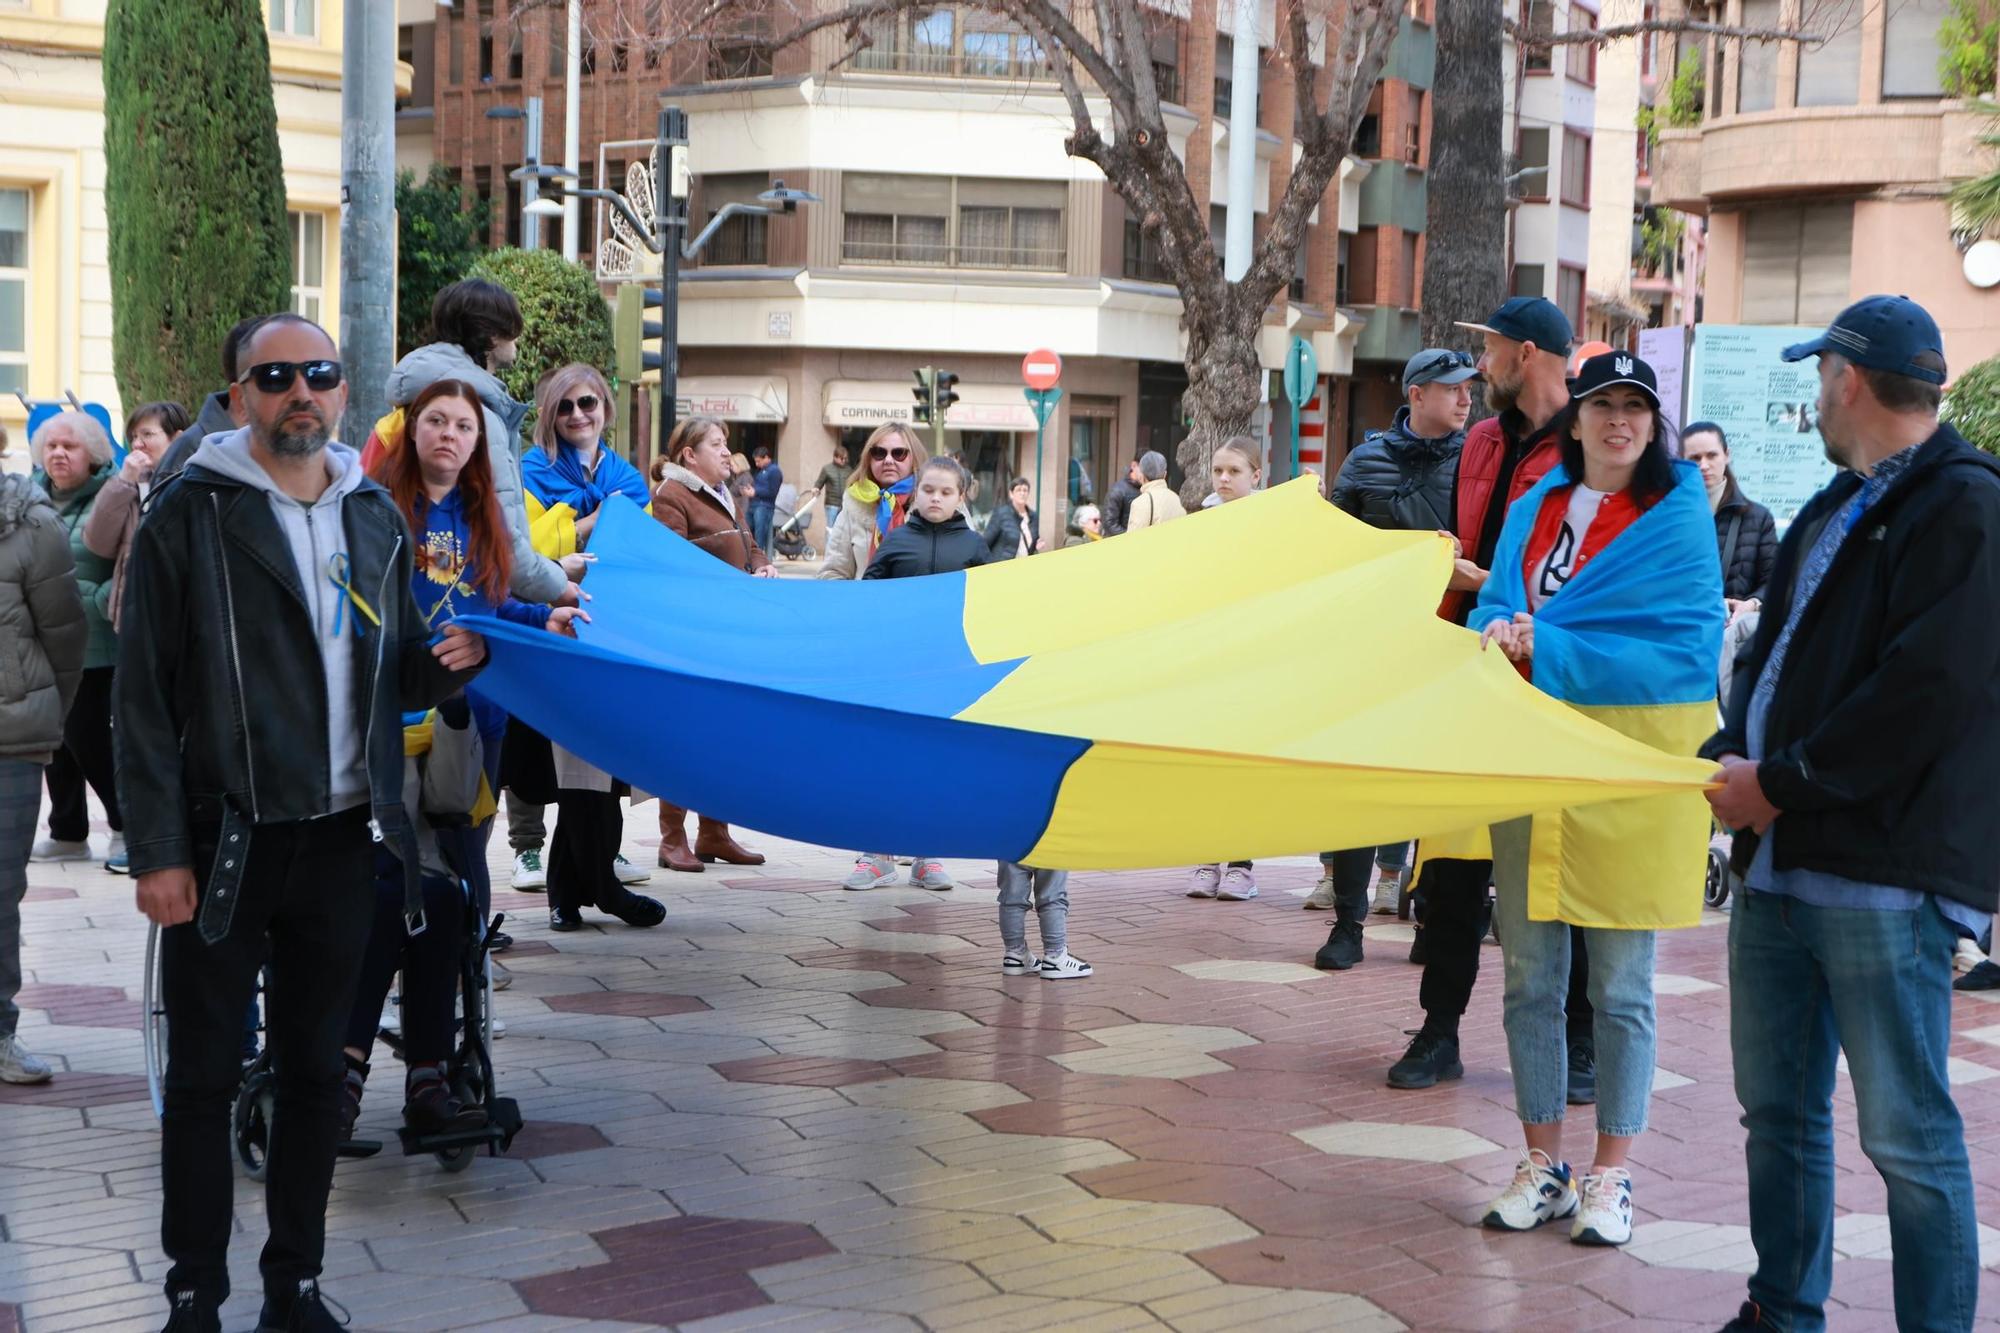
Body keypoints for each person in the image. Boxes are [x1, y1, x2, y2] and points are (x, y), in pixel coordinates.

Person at [114, 313, 488, 1332]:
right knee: (200, 1081)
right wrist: (158, 851)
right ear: (238, 396)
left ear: (341, 388)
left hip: (341, 835)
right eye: (274, 377)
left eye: (318, 374)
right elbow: (141, 695)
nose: (300, 393)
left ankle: (296, 1286)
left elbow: (391, 665)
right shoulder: (191, 511)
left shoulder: (374, 514)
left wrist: (448, 660)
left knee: (318, 1078)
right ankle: (194, 1294)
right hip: (223, 840)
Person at [1703, 297, 1996, 1333]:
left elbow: (1926, 693)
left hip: (1881, 877)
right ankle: (1781, 1308)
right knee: (1776, 1114)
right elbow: (1776, 659)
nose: (1812, 395)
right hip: (1778, 868)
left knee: (1906, 1135)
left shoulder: (1963, 504)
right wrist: (1732, 749)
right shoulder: (1835, 505)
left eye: (1818, 374)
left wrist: (1775, 783)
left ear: (1847, 378)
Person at [1471, 351, 1723, 1248]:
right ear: (1574, 420)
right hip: (1532, 760)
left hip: (1628, 766)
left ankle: (1612, 1174)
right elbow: (1492, 605)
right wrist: (1495, 630)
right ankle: (1544, 1163)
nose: (1619, 421)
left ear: (1654, 425)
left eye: (1636, 408)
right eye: (1602, 405)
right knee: (1528, 975)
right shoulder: (1536, 506)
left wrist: (1552, 646)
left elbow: (1687, 653)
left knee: (1621, 986)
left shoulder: (1678, 516)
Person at [346, 378, 585, 1140]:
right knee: (395, 882)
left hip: (466, 723)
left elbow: (490, 599)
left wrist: (538, 613)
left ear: (480, 444)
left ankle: (442, 1054)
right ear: (410, 432)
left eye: (464, 426)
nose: (450, 435)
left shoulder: (485, 517)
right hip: (378, 726)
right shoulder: (373, 510)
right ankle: (359, 1058)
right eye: (436, 422)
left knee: (454, 882)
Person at [1386, 296, 1595, 1095]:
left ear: (1532, 355)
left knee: (1558, 867)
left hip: (1552, 681)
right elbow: (1471, 546)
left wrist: (1513, 605)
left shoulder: (1590, 441)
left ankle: (1579, 1044)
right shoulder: (1478, 441)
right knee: (1451, 871)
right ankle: (1439, 1031)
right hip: (1469, 671)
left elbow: (1589, 566)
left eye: (1494, 350)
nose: (1481, 366)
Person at [1310, 348, 1477, 949]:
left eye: (1468, 388)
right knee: (1365, 780)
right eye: (1452, 388)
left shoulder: (1479, 459)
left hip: (1453, 641)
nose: (1465, 398)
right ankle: (1347, 924)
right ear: (1417, 394)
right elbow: (1333, 551)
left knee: (1440, 786)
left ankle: (1431, 919)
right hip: (1375, 645)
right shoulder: (1365, 459)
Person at [505, 364, 652, 894]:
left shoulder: (627, 479)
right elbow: (523, 552)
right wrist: (586, 525)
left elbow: (643, 551)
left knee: (597, 747)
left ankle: (599, 856)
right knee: (533, 745)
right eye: (565, 406)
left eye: (587, 403)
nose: (577, 415)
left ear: (604, 410)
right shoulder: (528, 471)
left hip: (603, 624)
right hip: (542, 622)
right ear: (549, 414)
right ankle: (527, 848)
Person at [369, 279, 570, 604]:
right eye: (512, 328)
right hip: (459, 612)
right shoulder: (476, 413)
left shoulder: (420, 399)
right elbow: (503, 542)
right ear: (491, 335)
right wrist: (558, 582)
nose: (517, 339)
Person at [842, 457, 980, 892]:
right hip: (897, 674)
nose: (936, 498)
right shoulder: (896, 541)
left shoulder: (975, 548)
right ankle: (876, 855)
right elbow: (866, 604)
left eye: (945, 492)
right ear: (915, 493)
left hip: (949, 674)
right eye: (928, 490)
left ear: (962, 497)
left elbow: (996, 606)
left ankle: (928, 856)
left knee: (936, 764)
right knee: (886, 761)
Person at [650, 415, 773, 873]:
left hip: (727, 631)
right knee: (686, 734)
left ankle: (714, 833)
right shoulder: (672, 496)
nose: (727, 452)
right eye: (717, 444)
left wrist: (761, 566)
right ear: (689, 455)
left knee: (722, 733)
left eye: (726, 444)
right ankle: (671, 838)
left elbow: (750, 543)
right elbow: (671, 565)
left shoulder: (721, 494)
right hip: (692, 634)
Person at [0, 470, 84, 1085]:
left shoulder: (31, 524)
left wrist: (43, 712)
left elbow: (65, 638)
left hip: (10, 741)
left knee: (0, 893)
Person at [25, 412, 122, 872]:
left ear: (94, 455)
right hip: (40, 642)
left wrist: (96, 599)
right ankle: (67, 832)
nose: (58, 453)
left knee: (88, 737)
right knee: (52, 740)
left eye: (70, 446)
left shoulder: (114, 495)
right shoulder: (28, 499)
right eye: (51, 446)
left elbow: (128, 562)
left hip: (94, 643)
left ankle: (126, 826)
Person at [1183, 440, 1265, 903]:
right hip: (1210, 657)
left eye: (1234, 470)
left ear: (1256, 474)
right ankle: (1206, 858)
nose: (1223, 479)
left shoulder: (1270, 524)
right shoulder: (1200, 523)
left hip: (1251, 658)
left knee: (1244, 764)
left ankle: (1241, 866)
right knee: (1207, 761)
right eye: (1217, 470)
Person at [84, 402, 192, 643]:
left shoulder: (193, 483)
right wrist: (123, 481)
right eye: (133, 436)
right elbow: (96, 542)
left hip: (183, 619)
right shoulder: (127, 486)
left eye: (147, 435)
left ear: (177, 439)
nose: (137, 444)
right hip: (135, 617)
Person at [152, 315, 263, 482]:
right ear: (240, 394)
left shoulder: (288, 451)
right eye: (277, 375)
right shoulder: (190, 455)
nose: (300, 390)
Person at [1681, 421, 1778, 614]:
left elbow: (1775, 580)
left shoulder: (1758, 518)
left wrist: (1751, 604)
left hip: (1733, 634)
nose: (1703, 465)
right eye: (1694, 458)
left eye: (1711, 455)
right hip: (1681, 632)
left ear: (1727, 455)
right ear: (1682, 461)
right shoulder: (1668, 516)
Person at [819, 423, 927, 580]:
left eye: (899, 453)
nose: (888, 460)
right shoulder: (853, 503)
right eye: (879, 453)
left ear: (914, 458)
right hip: (866, 601)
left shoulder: (937, 502)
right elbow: (833, 571)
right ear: (869, 459)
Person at [1123, 450, 1186, 531]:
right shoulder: (1178, 500)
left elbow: (1133, 540)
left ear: (1142, 475)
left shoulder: (1140, 503)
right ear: (1165, 474)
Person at [983, 476, 1042, 560]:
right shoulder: (1002, 514)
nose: (1022, 493)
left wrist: (1036, 545)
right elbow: (986, 542)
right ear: (1011, 494)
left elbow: (1033, 543)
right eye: (1018, 490)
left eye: (1025, 490)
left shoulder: (1033, 517)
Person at [749, 443, 783, 554]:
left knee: (760, 533)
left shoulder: (774, 471)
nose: (757, 464)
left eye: (759, 461)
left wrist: (755, 492)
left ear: (767, 458)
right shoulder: (760, 471)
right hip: (755, 504)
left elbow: (773, 491)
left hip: (764, 506)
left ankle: (759, 554)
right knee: (749, 530)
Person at [814, 442, 853, 537]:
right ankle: (829, 551)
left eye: (845, 458)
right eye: (841, 458)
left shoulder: (849, 470)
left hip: (844, 504)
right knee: (830, 529)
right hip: (831, 504)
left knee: (843, 530)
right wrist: (816, 489)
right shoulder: (827, 469)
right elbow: (819, 482)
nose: (844, 461)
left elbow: (852, 485)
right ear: (835, 457)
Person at [1101, 455, 1143, 536]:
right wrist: (1130, 535)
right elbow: (1109, 524)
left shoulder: (1147, 489)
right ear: (1134, 465)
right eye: (1144, 467)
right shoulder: (1118, 490)